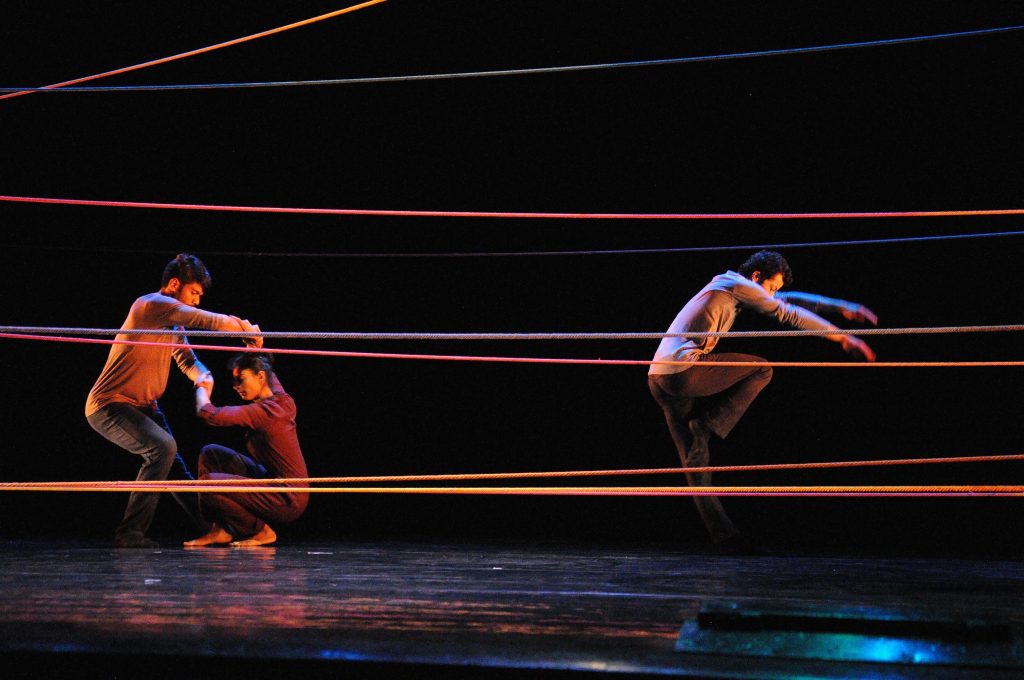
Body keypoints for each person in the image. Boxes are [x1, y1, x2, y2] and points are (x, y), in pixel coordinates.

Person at [647, 250, 877, 551]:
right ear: (756, 276)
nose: (773, 294)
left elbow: (786, 299)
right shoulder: (737, 284)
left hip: (659, 379)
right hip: (683, 372)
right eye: (771, 286)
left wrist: (841, 307)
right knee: (762, 369)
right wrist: (844, 338)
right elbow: (787, 313)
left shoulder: (730, 283)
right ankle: (707, 425)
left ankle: (725, 537)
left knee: (695, 460)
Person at [86, 253, 262, 549]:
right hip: (109, 405)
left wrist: (203, 375)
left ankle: (213, 528)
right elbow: (204, 320)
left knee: (174, 467)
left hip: (145, 407)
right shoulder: (151, 305)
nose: (196, 301)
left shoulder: (173, 325)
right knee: (162, 448)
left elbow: (187, 359)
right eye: (193, 293)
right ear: (174, 284)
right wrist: (243, 327)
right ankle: (130, 533)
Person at [184, 353, 308, 548]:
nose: (235, 386)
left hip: (287, 497)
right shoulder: (280, 397)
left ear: (260, 376)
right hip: (270, 480)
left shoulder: (266, 412)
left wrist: (202, 388)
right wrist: (254, 347)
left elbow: (209, 414)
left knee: (208, 484)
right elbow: (266, 367)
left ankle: (260, 531)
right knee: (211, 453)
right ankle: (221, 529)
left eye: (241, 379)